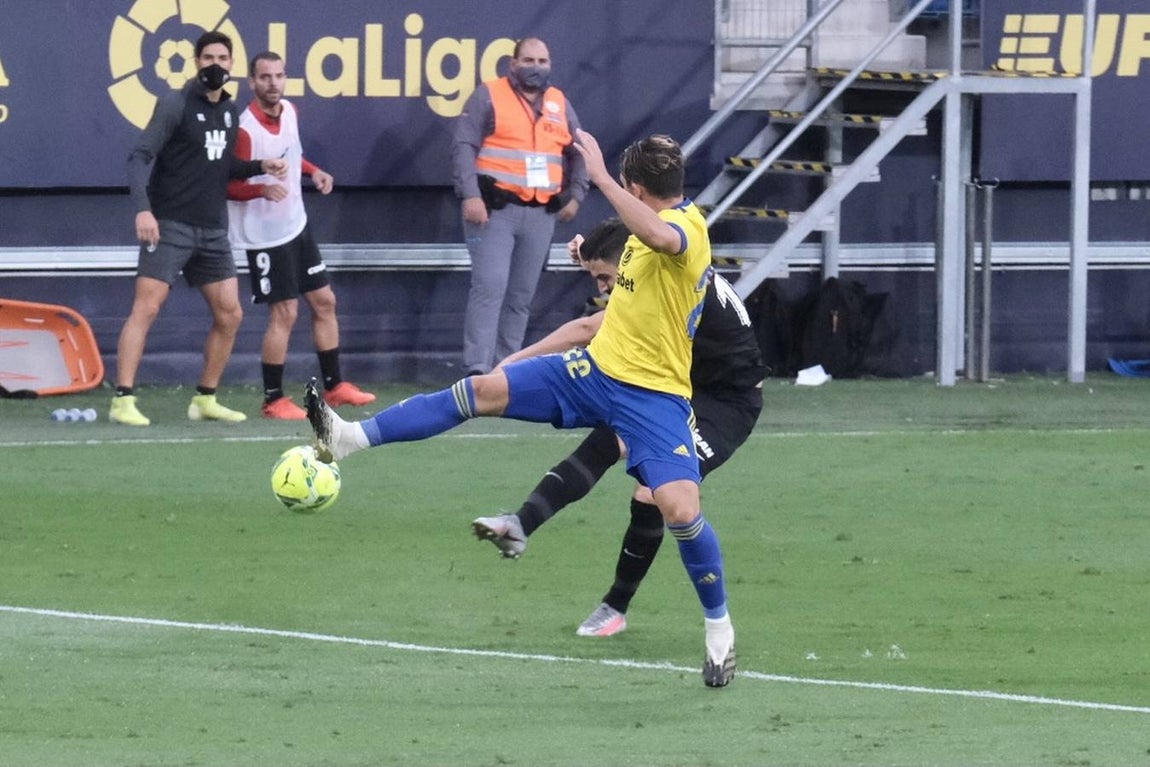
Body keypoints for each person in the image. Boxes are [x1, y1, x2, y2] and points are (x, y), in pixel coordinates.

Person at [305, 131, 738, 687]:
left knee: (679, 508)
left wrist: (599, 177)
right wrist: (589, 253)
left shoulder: (688, 231)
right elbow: (624, 281)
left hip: (655, 398)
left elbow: (657, 234)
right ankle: (350, 438)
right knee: (481, 389)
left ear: (632, 187)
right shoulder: (639, 234)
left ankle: (719, 632)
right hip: (595, 374)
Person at [472, 218, 766, 639]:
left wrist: (509, 365)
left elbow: (588, 328)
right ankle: (520, 524)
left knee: (652, 491)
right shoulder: (659, 265)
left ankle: (616, 606)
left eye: (606, 279)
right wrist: (593, 251)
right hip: (676, 385)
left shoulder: (665, 282)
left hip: (726, 403)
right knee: (610, 437)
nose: (604, 289)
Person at [112, 31, 288, 426]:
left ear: (231, 64)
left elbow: (221, 167)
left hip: (212, 230)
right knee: (147, 308)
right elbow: (139, 157)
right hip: (169, 225)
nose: (215, 64)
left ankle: (204, 399)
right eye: (208, 57)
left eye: (222, 58)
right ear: (196, 62)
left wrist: (261, 168)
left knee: (231, 314)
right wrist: (143, 211)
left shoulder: (229, 112)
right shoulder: (175, 104)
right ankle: (123, 399)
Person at [226, 51, 375, 420]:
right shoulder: (245, 128)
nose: (273, 82)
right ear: (252, 82)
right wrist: (261, 190)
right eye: (265, 77)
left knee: (324, 301)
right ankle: (273, 399)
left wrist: (314, 171)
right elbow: (228, 185)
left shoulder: (290, 111)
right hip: (264, 235)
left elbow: (292, 156)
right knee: (285, 312)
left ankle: (335, 386)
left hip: (296, 224)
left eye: (278, 75)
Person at [452, 36, 589, 376]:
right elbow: (463, 145)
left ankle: (508, 367)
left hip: (541, 213)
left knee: (521, 295)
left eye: (542, 61)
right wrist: (470, 194)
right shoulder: (489, 94)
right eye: (528, 60)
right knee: (490, 286)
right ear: (512, 64)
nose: (536, 67)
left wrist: (577, 194)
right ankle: (478, 368)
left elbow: (580, 149)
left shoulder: (558, 102)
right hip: (494, 210)